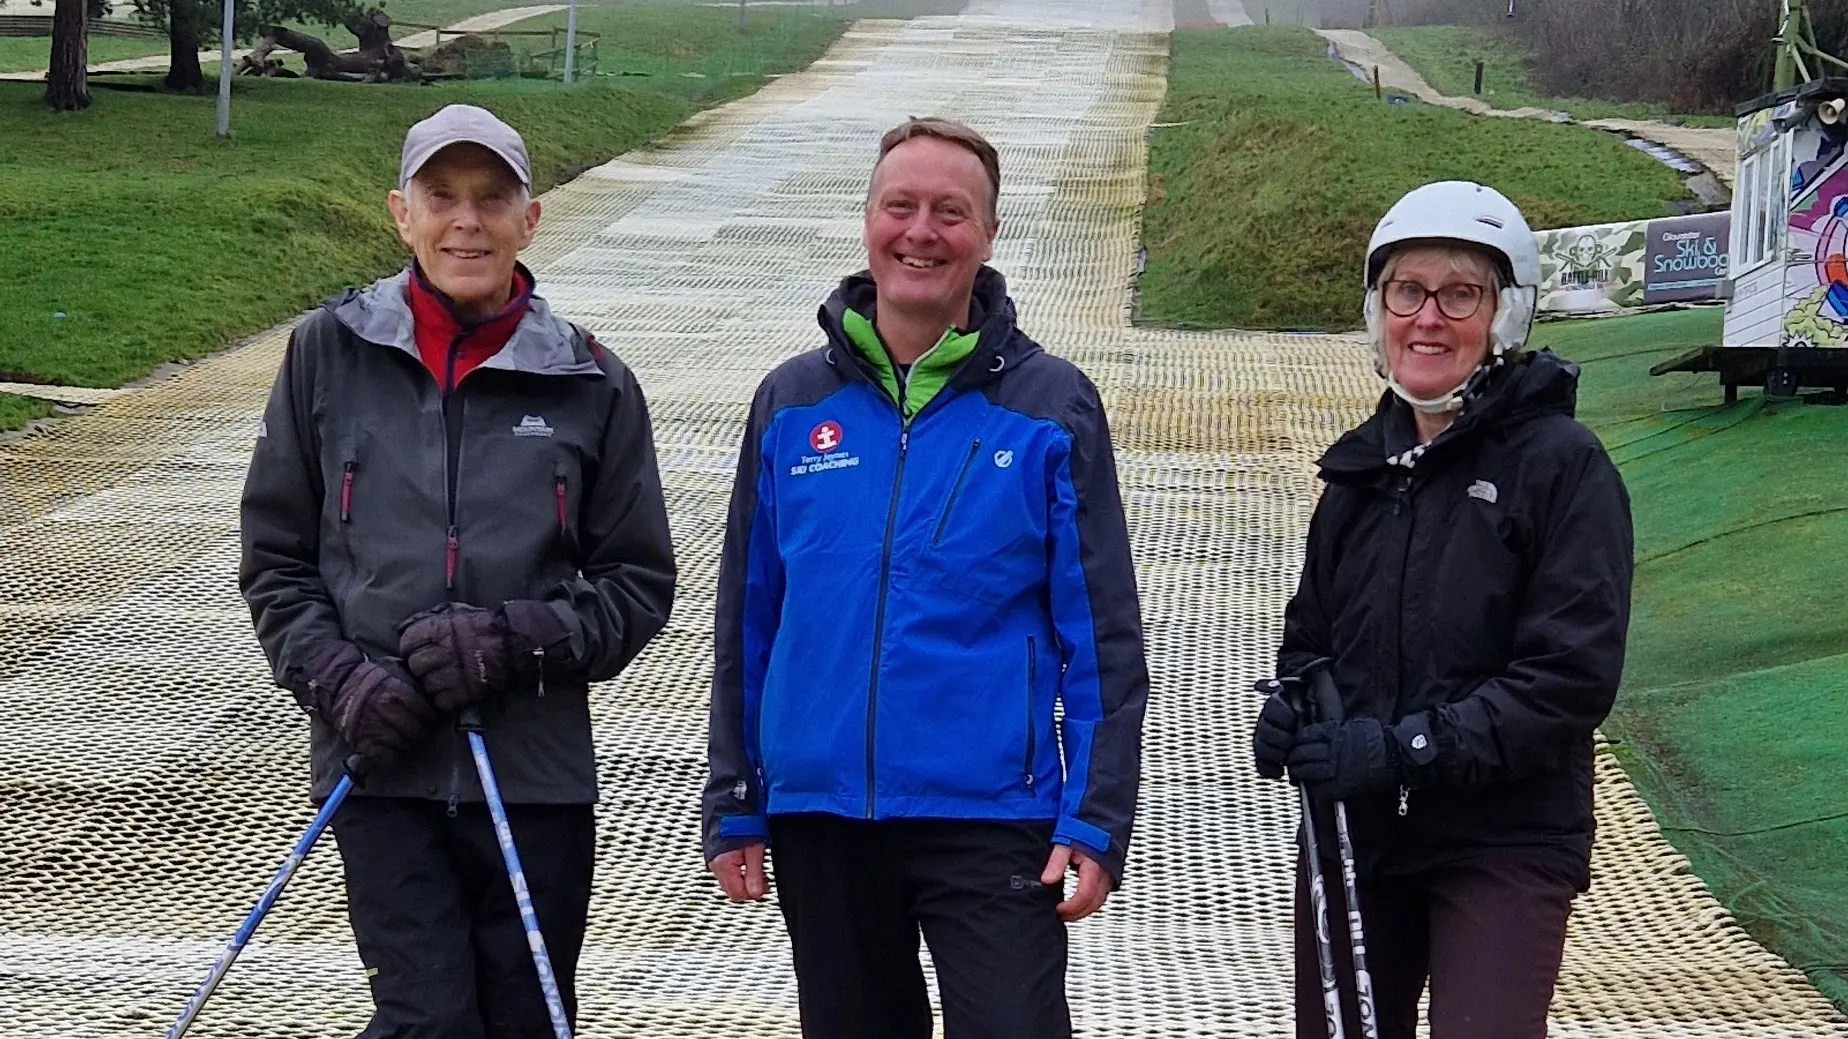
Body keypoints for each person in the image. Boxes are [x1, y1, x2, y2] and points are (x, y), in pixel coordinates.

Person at [700, 116, 1149, 1039]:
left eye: (952, 212)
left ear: (986, 238)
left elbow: (1100, 631)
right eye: (900, 206)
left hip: (989, 816)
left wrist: (1097, 814)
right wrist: (736, 797)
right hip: (821, 812)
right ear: (866, 221)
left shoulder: (1049, 407)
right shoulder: (791, 404)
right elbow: (749, 616)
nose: (922, 231)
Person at [238, 103, 676, 1038]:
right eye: (443, 197)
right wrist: (334, 675)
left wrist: (520, 638)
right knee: (428, 1019)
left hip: (532, 776)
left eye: (492, 199)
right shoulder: (327, 352)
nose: (466, 222)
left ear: (531, 218)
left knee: (524, 1019)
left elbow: (638, 583)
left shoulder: (592, 381)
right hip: (379, 764)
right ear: (403, 213)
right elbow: (275, 558)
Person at [1251, 180, 1634, 1039]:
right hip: (1364, 835)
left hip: (1500, 835)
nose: (1428, 317)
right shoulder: (1358, 474)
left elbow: (1568, 680)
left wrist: (1404, 747)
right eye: (1406, 291)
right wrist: (1294, 706)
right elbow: (1311, 635)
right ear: (1377, 309)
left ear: (1503, 316)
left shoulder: (1561, 467)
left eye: (1460, 293)